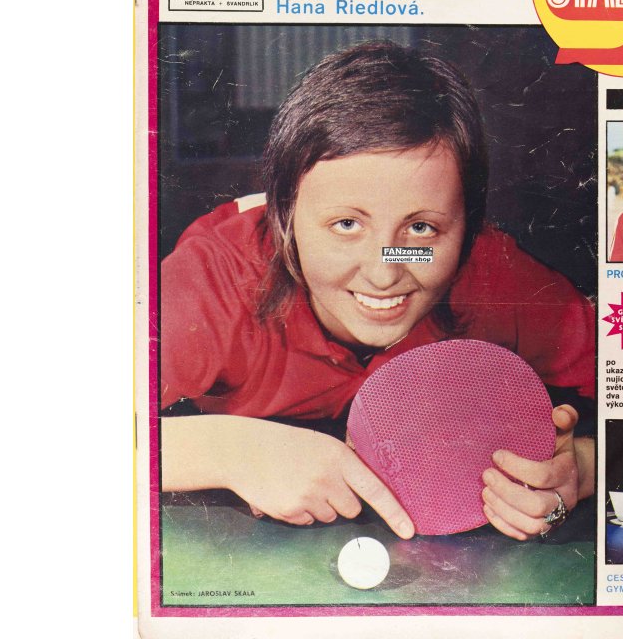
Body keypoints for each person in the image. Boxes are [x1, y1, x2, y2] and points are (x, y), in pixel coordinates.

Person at [160, 41, 596, 541]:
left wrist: (585, 466)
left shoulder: (494, 274)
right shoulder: (212, 279)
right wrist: (230, 452)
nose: (385, 273)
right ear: (286, 217)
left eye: (421, 229)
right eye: (346, 224)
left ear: (468, 228)